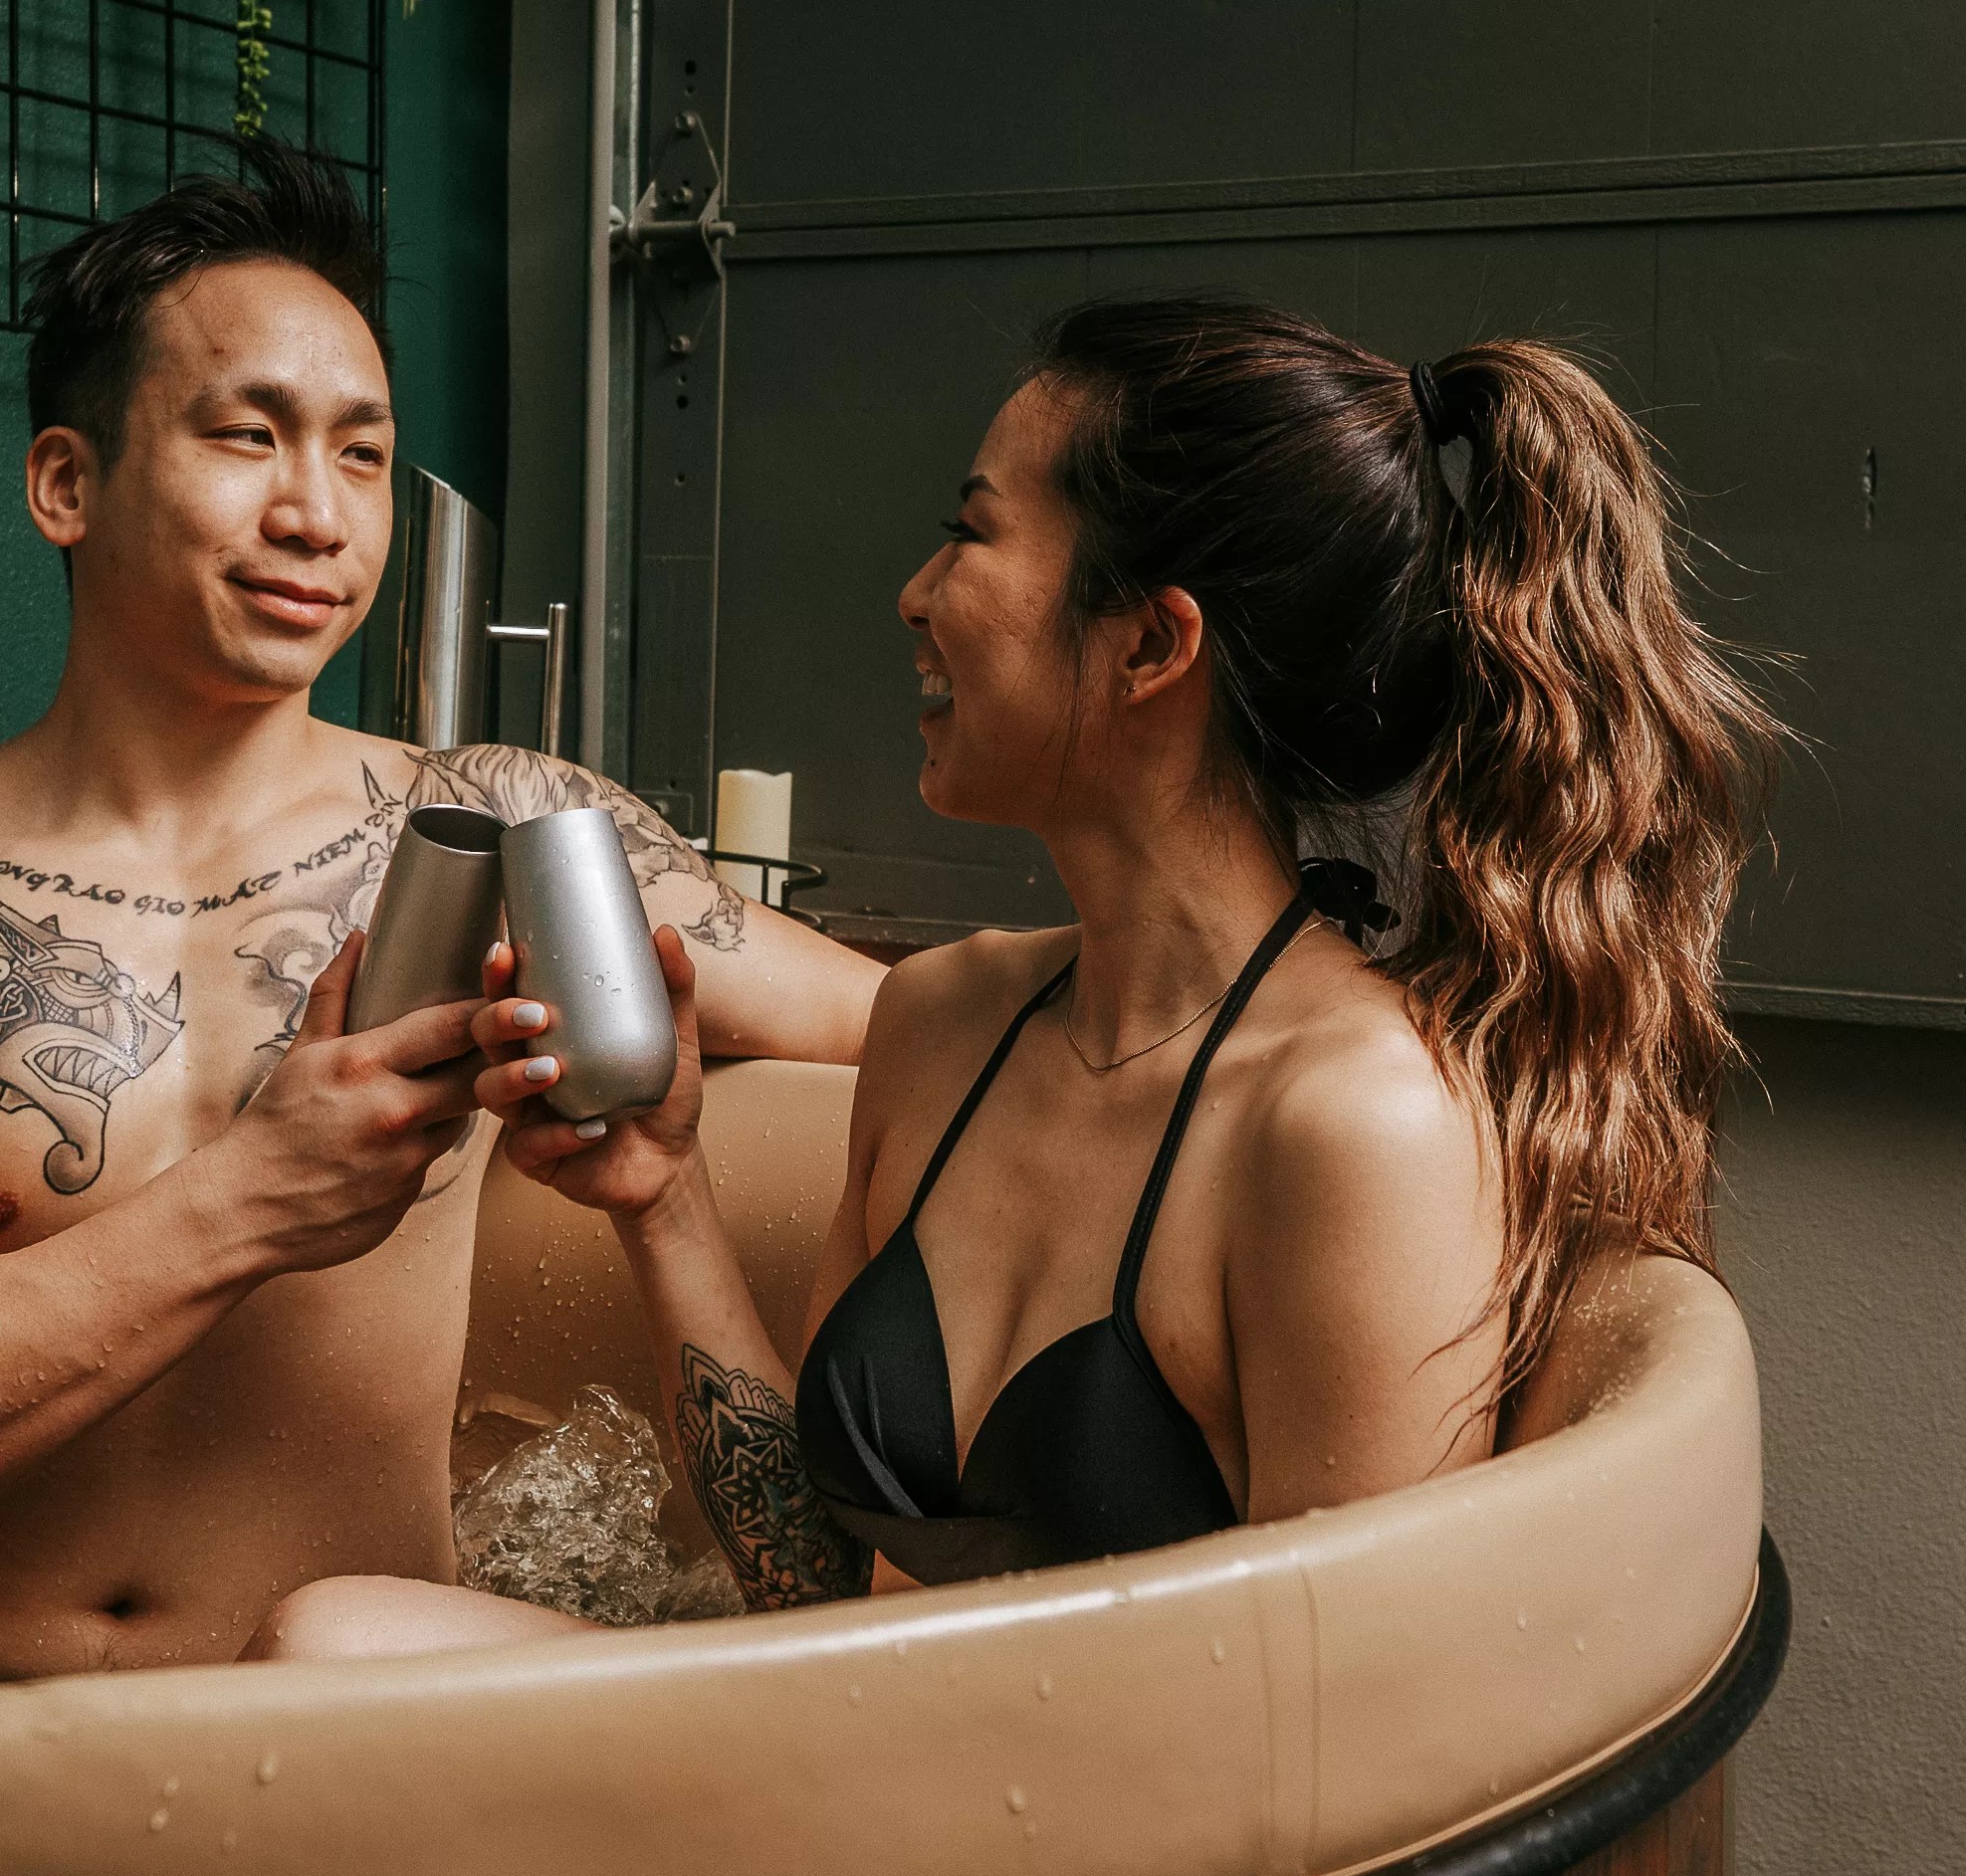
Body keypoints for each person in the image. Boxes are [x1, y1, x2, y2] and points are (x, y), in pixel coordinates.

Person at [247, 294, 1775, 1657]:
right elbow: (807, 1579)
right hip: (850, 1774)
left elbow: (1359, 1730)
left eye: (972, 532)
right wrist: (662, 1197)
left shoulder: (1357, 1128)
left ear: (1150, 646)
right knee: (335, 1637)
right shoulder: (947, 1020)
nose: (917, 594)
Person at [0, 140, 886, 1689]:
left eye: (362, 457)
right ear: (66, 483)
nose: (318, 514)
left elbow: (930, 1038)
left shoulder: (509, 831)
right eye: (249, 436)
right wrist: (250, 1201)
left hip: (332, 1730)